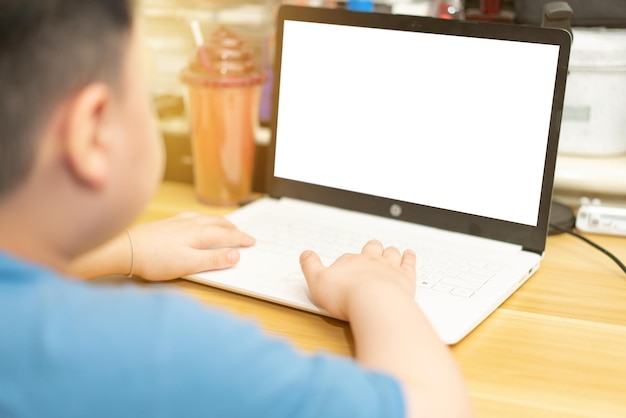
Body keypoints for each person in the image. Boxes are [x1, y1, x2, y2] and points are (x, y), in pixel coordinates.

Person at [0, 1, 473, 417]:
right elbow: (438, 409)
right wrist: (377, 290)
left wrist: (125, 249)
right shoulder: (157, 351)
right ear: (92, 133)